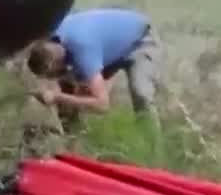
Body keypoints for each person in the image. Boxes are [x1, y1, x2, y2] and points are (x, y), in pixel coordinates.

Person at [24, 7, 162, 117]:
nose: (52, 79)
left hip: (139, 41)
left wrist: (57, 97)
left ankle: (153, 144)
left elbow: (102, 105)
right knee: (70, 89)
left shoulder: (82, 50)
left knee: (141, 93)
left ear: (54, 64)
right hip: (108, 44)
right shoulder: (53, 37)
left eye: (51, 75)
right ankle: (73, 145)